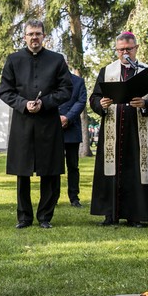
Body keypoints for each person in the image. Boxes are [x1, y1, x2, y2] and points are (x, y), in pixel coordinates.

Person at [0, 20, 72, 229]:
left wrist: (45, 103)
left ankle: (45, 216)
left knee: (50, 171)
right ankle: (24, 217)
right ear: (24, 37)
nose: (34, 38)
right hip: (22, 122)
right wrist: (23, 104)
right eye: (30, 34)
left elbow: (66, 90)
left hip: (48, 122)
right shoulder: (13, 60)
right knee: (22, 172)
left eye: (38, 34)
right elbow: (5, 91)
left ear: (44, 36)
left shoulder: (57, 60)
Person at [90, 32, 148, 228]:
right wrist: (102, 103)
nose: (125, 53)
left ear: (136, 48)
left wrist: (145, 103)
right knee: (110, 170)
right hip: (111, 131)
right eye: (121, 49)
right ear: (116, 50)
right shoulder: (107, 71)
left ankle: (136, 215)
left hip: (136, 131)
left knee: (136, 172)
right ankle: (109, 214)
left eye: (128, 49)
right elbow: (94, 99)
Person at [57, 67, 87, 208]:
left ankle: (74, 197)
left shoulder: (78, 81)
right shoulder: (50, 81)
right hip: (53, 128)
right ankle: (52, 197)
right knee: (54, 166)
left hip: (72, 128)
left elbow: (81, 102)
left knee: (73, 166)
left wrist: (67, 117)